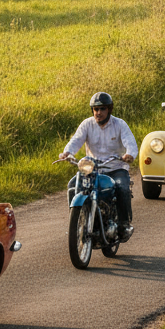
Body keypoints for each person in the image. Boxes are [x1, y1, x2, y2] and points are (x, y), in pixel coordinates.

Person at [60, 92, 137, 240]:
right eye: (95, 109)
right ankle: (76, 222)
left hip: (115, 167)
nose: (98, 113)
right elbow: (76, 140)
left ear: (109, 109)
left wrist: (130, 155)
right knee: (72, 185)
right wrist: (67, 152)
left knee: (122, 187)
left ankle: (123, 224)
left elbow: (131, 143)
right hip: (92, 169)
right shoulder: (87, 124)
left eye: (102, 109)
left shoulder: (120, 124)